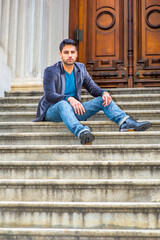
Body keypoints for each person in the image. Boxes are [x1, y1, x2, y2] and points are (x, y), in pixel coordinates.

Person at [34, 39, 151, 144]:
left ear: (76, 54)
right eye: (66, 52)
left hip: (75, 109)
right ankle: (81, 131)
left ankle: (125, 122)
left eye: (72, 52)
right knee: (63, 104)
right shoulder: (51, 71)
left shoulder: (80, 68)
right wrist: (68, 98)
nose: (69, 55)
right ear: (60, 55)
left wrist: (103, 93)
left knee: (102, 99)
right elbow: (49, 95)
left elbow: (92, 88)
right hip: (53, 111)